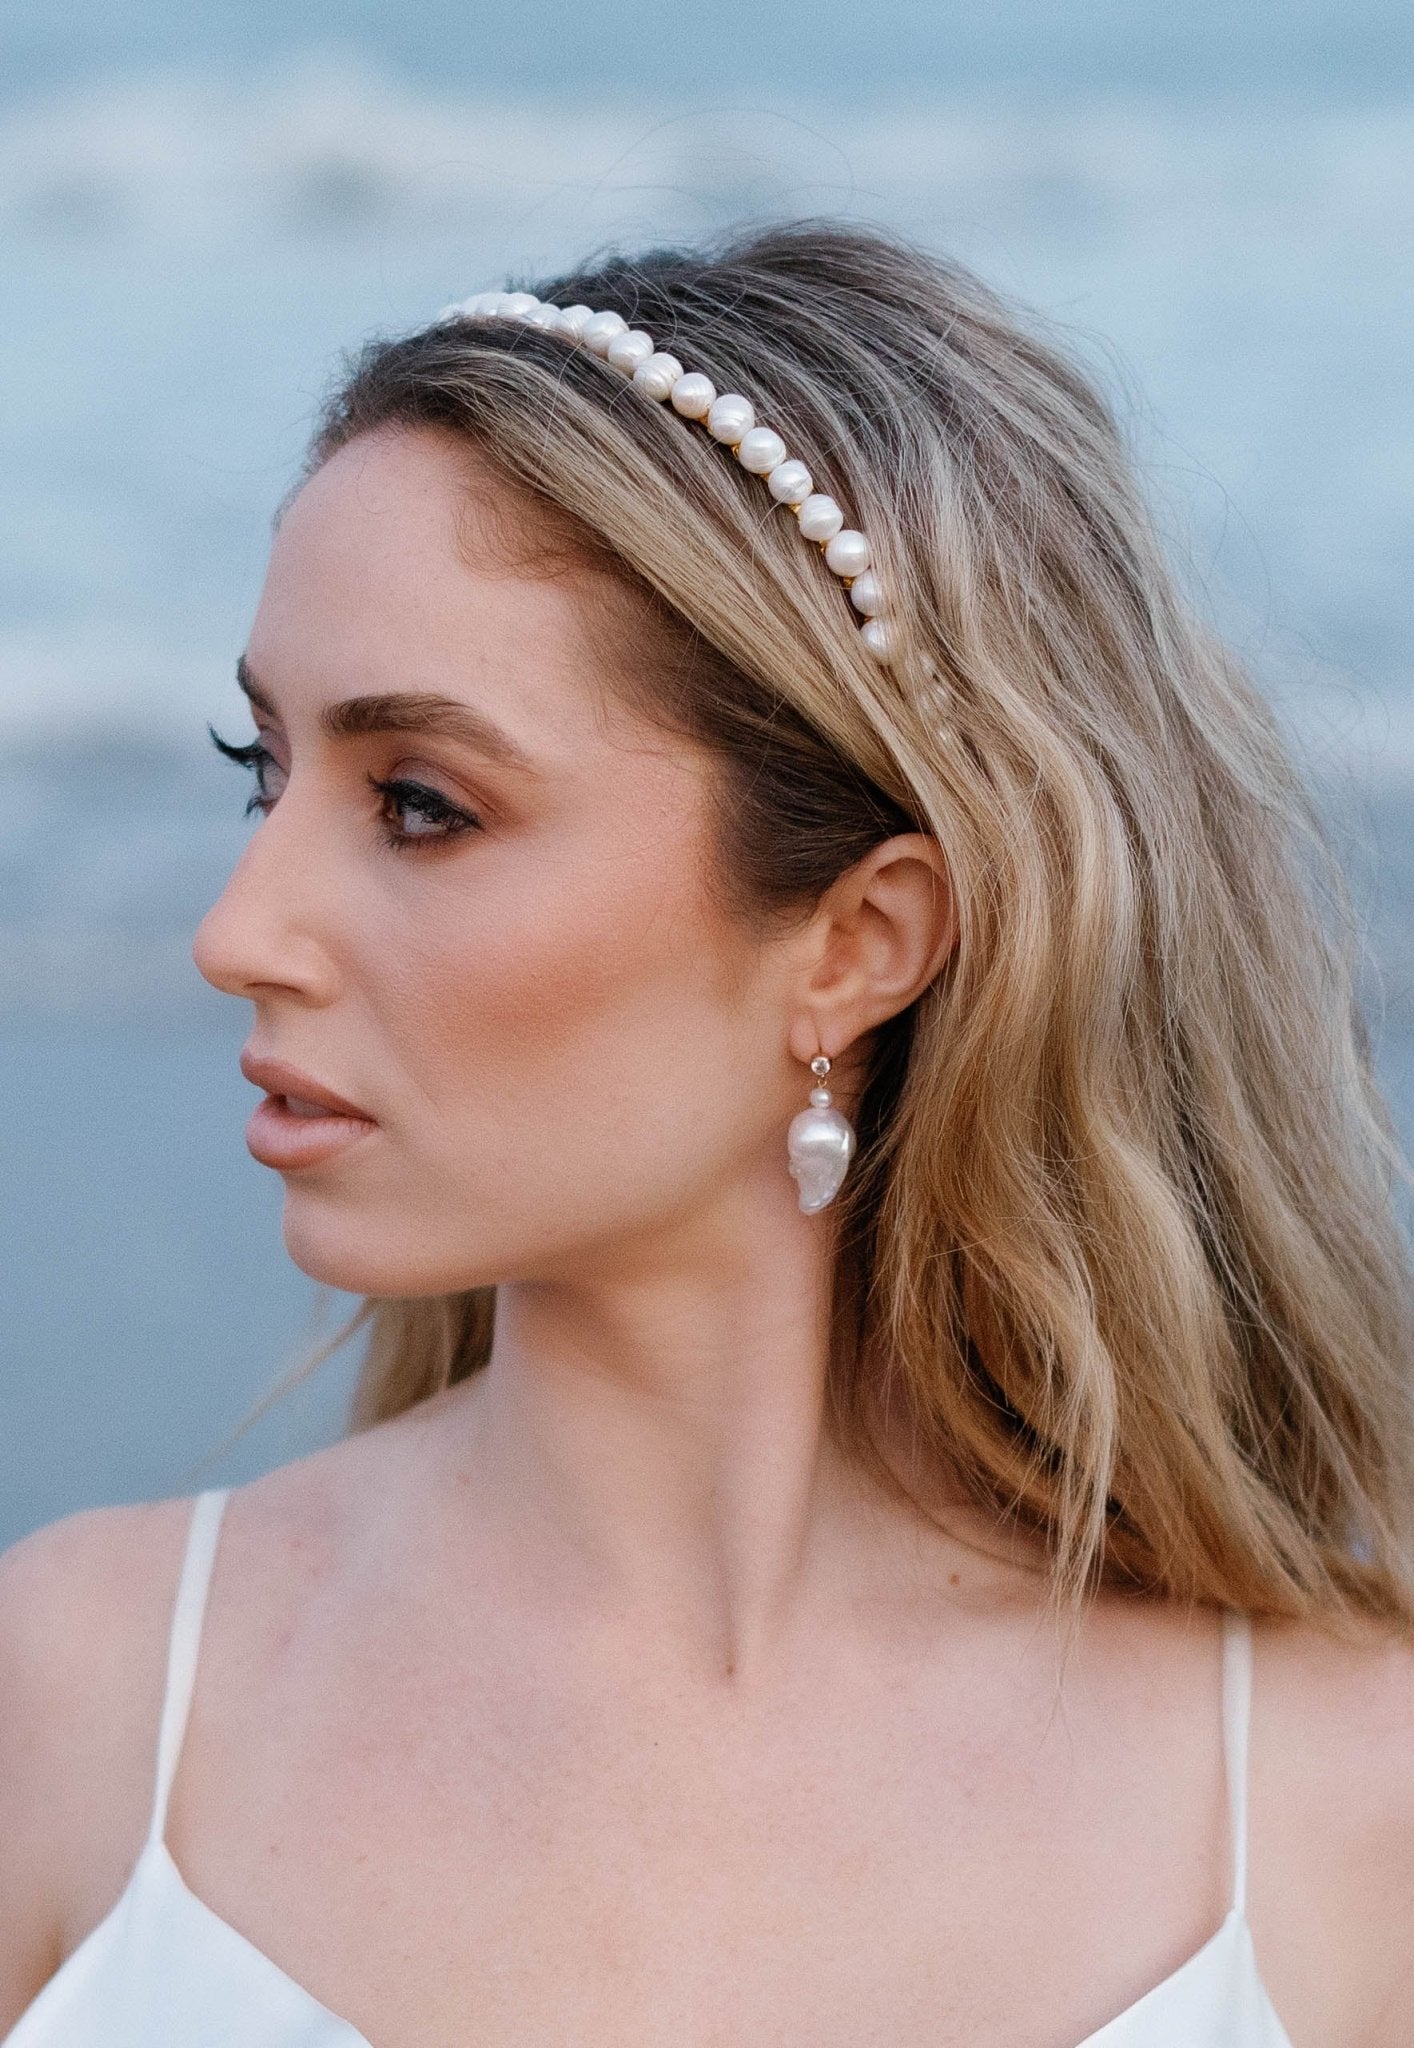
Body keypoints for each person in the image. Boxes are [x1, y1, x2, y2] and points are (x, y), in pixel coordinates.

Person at [2, 217, 1413, 2047]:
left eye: (419, 805)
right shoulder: (82, 1709)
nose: (234, 931)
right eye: (259, 772)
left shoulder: (1339, 1803)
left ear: (855, 943)